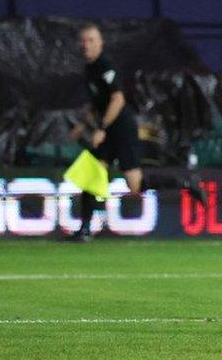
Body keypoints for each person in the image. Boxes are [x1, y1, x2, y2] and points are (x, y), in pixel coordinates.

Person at [68, 24, 203, 240]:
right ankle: (84, 230)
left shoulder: (105, 66)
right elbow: (99, 102)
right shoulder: (90, 68)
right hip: (109, 129)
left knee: (135, 185)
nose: (86, 45)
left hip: (121, 130)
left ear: (101, 43)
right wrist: (83, 125)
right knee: (90, 175)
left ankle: (184, 182)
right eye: (83, 40)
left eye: (91, 40)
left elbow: (117, 99)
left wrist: (101, 129)